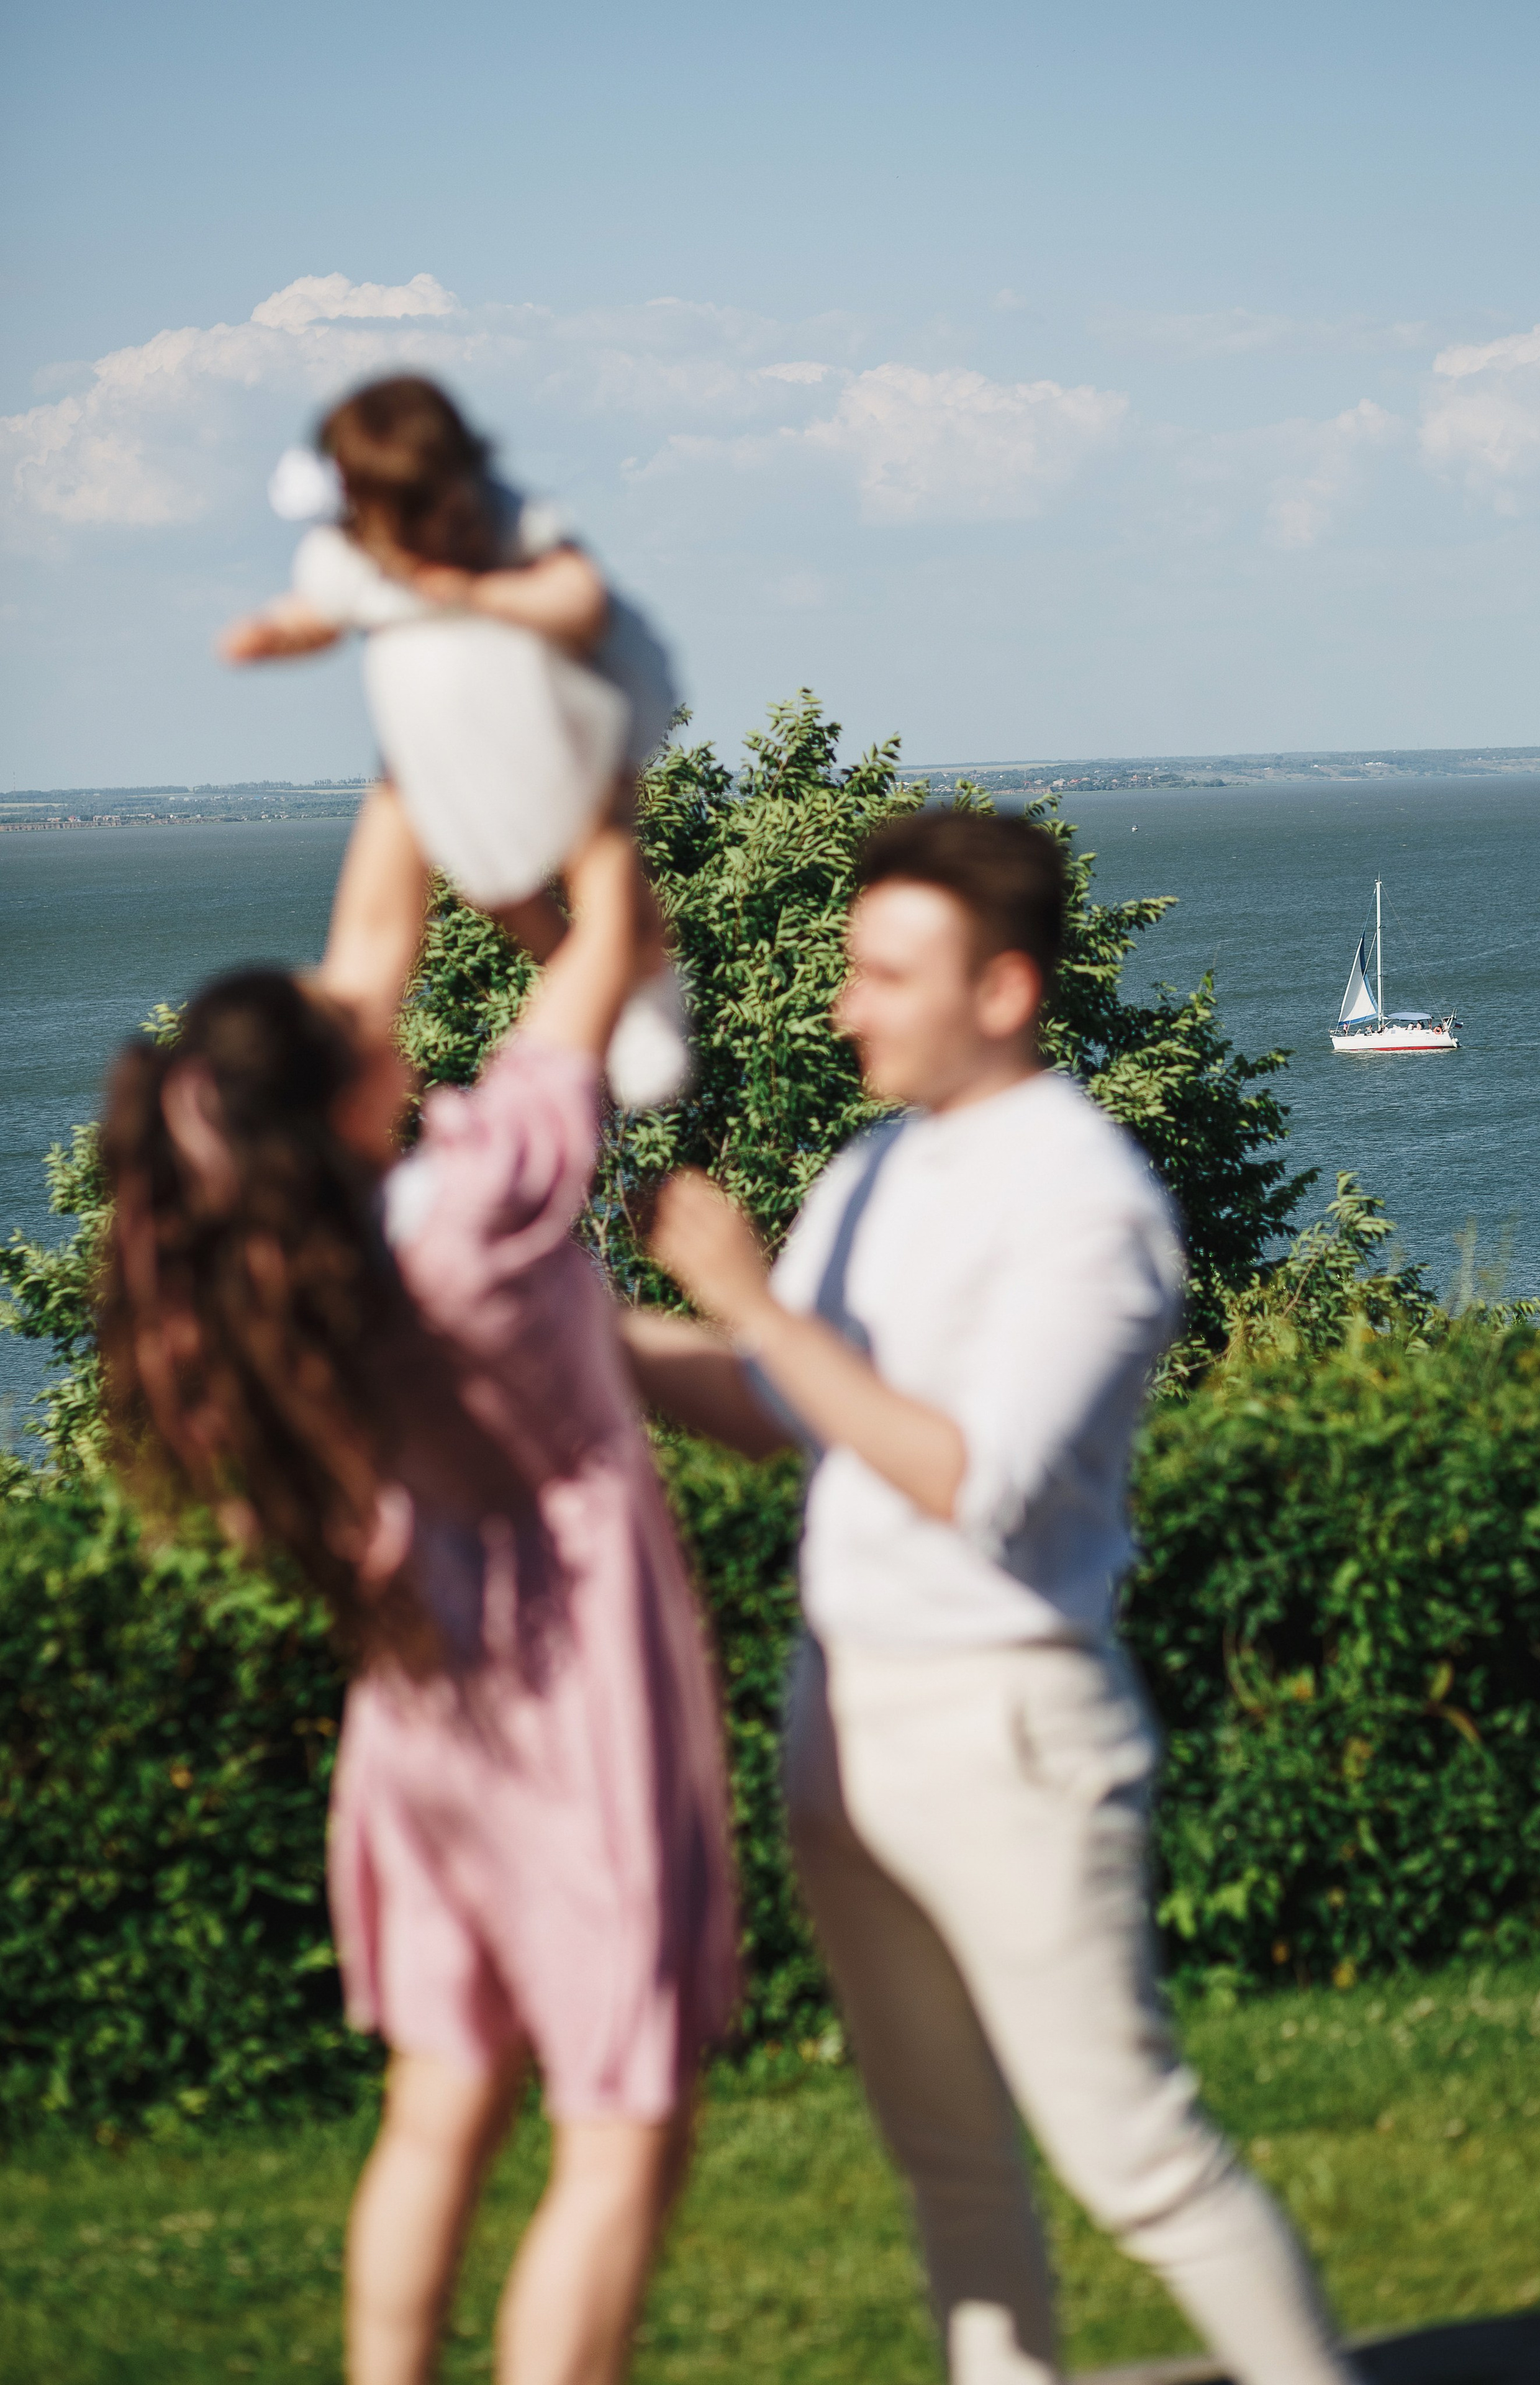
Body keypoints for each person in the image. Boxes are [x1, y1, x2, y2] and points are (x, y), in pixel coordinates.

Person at [622, 810, 1359, 2385]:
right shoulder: (882, 1163)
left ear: (1005, 986)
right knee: (944, 2165)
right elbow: (777, 1403)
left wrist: (748, 1294)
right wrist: (564, 1324)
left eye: (885, 975)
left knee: (1135, 2156)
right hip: (844, 1707)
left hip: (1004, 1726)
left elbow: (980, 1480)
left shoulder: (1086, 1203)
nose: (844, 1007)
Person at [97, 814, 736, 2385]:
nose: (371, 1001)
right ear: (338, 1094)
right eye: (349, 1025)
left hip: (419, 1728)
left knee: (442, 2095)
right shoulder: (475, 1211)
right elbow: (608, 943)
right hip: (572, 1718)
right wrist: (578, 772)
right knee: (619, 2133)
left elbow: (370, 951)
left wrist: (420, 708)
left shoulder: (258, 1267)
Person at [219, 374, 687, 1108]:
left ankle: (646, 981)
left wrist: (477, 591)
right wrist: (274, 636)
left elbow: (581, 600)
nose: (446, 544)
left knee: (596, 843)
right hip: (462, 733)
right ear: (365, 526)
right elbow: (324, 611)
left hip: (567, 703)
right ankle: (592, 987)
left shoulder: (511, 519)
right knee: (492, 881)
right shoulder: (352, 556)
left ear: (474, 477)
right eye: (418, 537)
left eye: (456, 518)